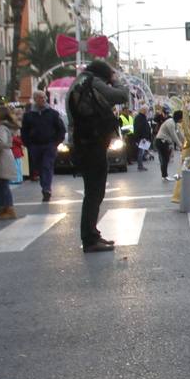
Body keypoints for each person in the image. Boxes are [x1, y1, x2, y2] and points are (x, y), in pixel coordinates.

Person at [66, 59, 128, 252]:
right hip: (92, 144)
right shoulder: (92, 81)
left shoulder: (78, 83)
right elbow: (121, 95)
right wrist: (115, 81)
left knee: (92, 192)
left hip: (82, 143)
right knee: (94, 192)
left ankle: (92, 234)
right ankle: (90, 238)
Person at [20, 90, 65, 200]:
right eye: (40, 98)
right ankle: (44, 186)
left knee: (47, 166)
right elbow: (24, 130)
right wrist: (28, 143)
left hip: (49, 145)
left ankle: (47, 189)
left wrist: (56, 142)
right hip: (35, 145)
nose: (43, 100)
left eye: (44, 97)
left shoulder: (53, 114)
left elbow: (60, 129)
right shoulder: (29, 115)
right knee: (39, 167)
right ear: (35, 99)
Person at [154, 109, 183, 180]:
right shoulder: (170, 123)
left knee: (166, 159)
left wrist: (186, 141)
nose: (183, 119)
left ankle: (164, 175)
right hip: (161, 141)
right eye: (182, 117)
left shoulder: (174, 123)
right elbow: (174, 135)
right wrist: (180, 146)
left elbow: (179, 134)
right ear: (179, 118)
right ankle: (164, 176)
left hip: (164, 142)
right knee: (164, 159)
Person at [131, 105, 152, 171]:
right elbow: (139, 128)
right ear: (143, 110)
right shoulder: (139, 118)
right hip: (141, 138)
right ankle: (140, 166)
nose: (147, 112)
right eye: (146, 110)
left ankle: (140, 165)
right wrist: (142, 137)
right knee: (141, 152)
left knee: (142, 152)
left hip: (143, 138)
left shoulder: (142, 117)